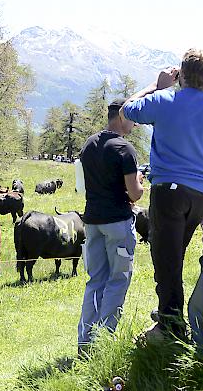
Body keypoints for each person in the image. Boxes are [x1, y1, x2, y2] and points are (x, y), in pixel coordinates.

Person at [120, 48, 203, 339]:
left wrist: (157, 85)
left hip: (169, 192)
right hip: (201, 197)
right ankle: (168, 313)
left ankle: (170, 327)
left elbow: (126, 110)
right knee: (173, 257)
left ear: (182, 74)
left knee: (166, 260)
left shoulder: (165, 99)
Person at [77, 98, 144, 354]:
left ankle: (86, 344)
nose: (135, 124)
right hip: (117, 222)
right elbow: (135, 194)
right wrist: (138, 180)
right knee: (117, 281)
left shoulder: (89, 144)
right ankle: (104, 344)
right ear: (121, 116)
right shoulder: (124, 149)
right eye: (133, 119)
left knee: (95, 280)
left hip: (92, 221)